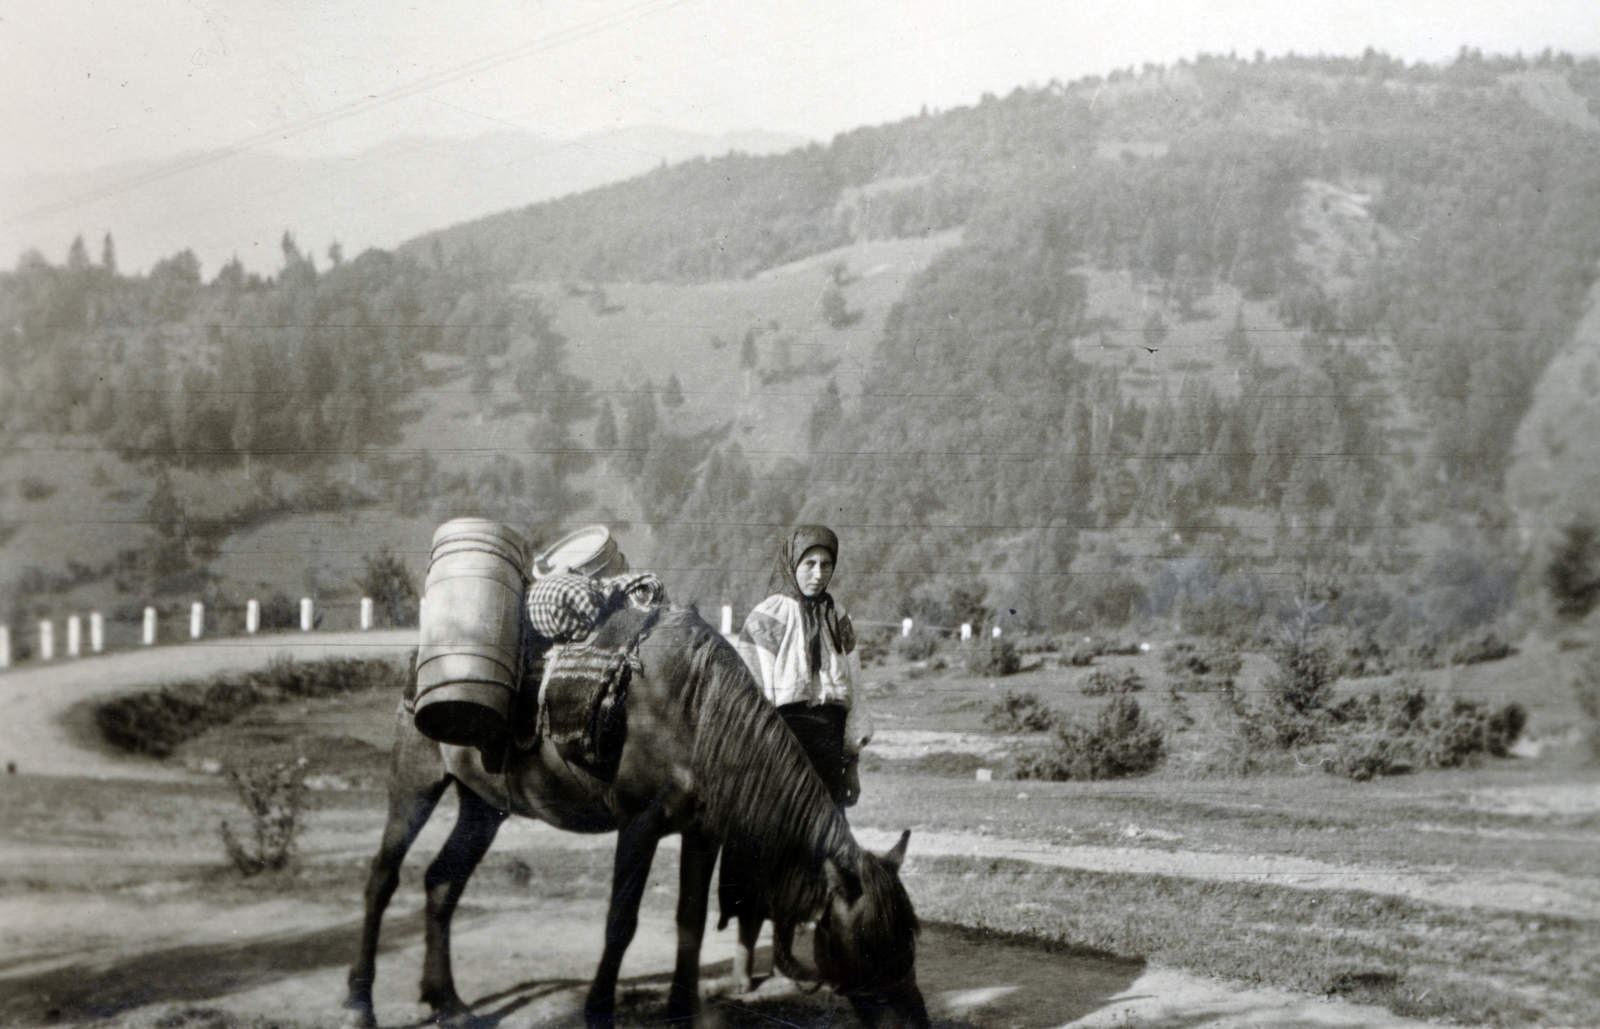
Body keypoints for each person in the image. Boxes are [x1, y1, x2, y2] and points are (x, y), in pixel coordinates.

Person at [735, 524, 869, 806]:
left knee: (828, 837)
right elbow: (749, 696)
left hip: (829, 745)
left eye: (826, 564)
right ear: (792, 562)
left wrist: (851, 765)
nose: (819, 574)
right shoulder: (768, 616)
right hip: (781, 746)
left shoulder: (838, 617)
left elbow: (855, 693)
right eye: (809, 564)